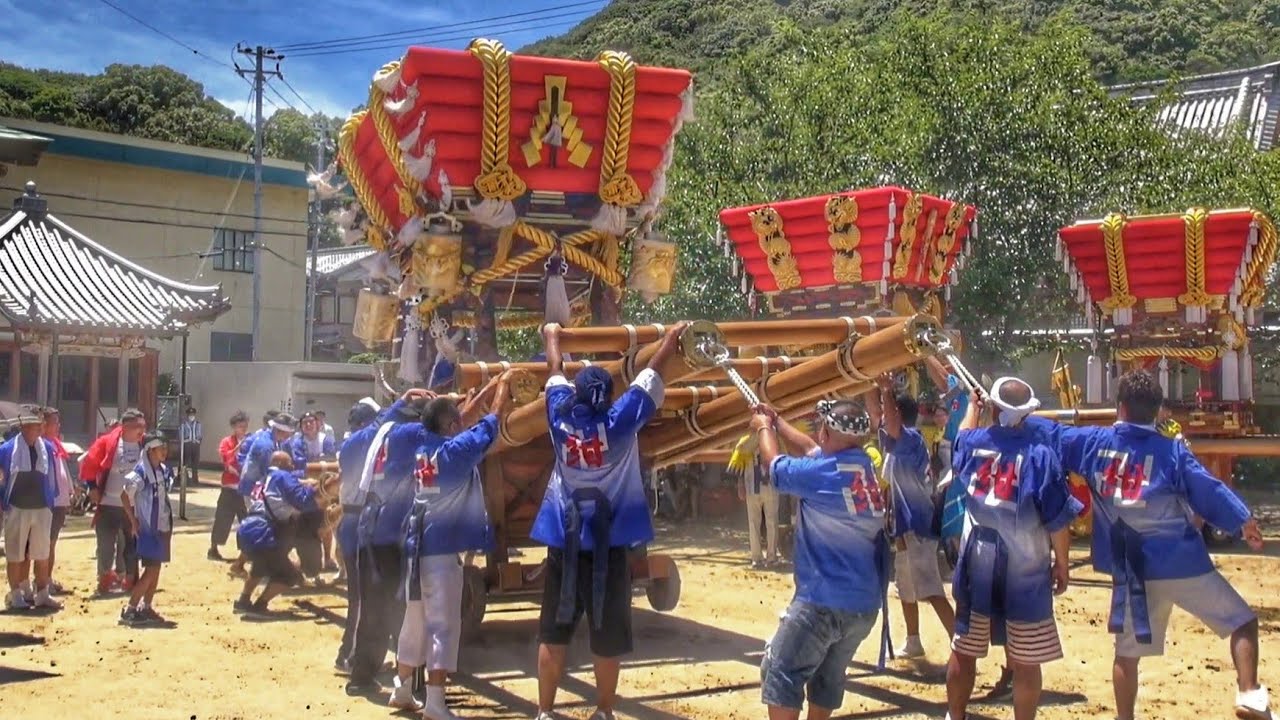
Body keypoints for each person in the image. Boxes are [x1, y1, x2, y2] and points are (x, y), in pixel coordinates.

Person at [1025, 369, 1271, 720]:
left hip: (1132, 571)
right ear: (1158, 411)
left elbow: (1048, 432)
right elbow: (1208, 490)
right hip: (1182, 563)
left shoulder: (1093, 442)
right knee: (1242, 623)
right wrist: (1242, 521)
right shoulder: (1172, 451)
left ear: (1120, 407)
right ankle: (1249, 693)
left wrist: (1009, 410)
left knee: (1127, 655)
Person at [531, 322, 686, 720]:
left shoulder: (559, 420)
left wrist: (552, 335)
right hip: (611, 545)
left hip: (564, 543)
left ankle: (545, 712)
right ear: (609, 397)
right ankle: (603, 711)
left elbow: (554, 369)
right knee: (607, 634)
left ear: (579, 394)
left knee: (554, 629)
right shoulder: (620, 422)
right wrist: (673, 337)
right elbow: (657, 371)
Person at [944, 378, 1081, 720]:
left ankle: (955, 716)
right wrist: (1062, 564)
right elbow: (1057, 520)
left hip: (977, 564)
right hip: (1027, 569)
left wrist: (973, 409)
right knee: (1026, 661)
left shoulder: (974, 443)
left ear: (992, 407)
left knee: (964, 651)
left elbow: (960, 439)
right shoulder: (1041, 456)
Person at [752, 399, 891, 720]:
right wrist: (777, 420)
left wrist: (762, 427)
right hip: (863, 606)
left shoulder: (824, 473)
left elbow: (774, 466)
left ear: (828, 431)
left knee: (780, 671)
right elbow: (812, 449)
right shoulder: (862, 467)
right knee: (827, 679)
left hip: (821, 603)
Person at [391, 380, 510, 717]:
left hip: (416, 549)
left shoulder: (421, 444)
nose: (462, 423)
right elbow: (489, 427)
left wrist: (484, 387)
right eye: (457, 420)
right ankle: (435, 703)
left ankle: (401, 688)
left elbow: (468, 422)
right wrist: (502, 392)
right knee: (443, 627)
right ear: (450, 426)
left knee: (414, 621)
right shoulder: (454, 454)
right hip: (440, 552)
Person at [347, 389, 436, 694]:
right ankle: (413, 682)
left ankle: (361, 677)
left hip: (369, 532)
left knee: (373, 608)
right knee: (410, 609)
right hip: (396, 536)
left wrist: (402, 401)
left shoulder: (376, 434)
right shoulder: (416, 434)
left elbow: (383, 420)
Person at [867, 376, 955, 659]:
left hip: (919, 525)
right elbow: (876, 416)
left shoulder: (910, 439)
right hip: (905, 528)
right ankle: (913, 640)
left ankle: (960, 644)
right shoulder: (896, 445)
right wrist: (866, 381)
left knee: (930, 589)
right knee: (905, 587)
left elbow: (888, 422)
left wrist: (885, 390)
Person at [333, 397, 385, 675]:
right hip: (355, 520)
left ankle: (356, 652)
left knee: (366, 594)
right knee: (360, 597)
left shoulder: (360, 442)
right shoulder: (358, 443)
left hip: (359, 519)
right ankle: (348, 655)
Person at [235, 451, 318, 617]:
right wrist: (315, 489)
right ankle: (260, 606)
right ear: (280, 463)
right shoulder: (282, 476)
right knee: (290, 576)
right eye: (289, 463)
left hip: (247, 530)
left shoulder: (264, 478)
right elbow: (302, 501)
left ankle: (243, 601)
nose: (292, 466)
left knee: (260, 565)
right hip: (264, 532)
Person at [0, 406, 62, 610]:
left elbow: (52, 478)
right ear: (24, 425)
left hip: (41, 507)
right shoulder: (7, 450)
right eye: (35, 423)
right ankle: (16, 593)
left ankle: (42, 593)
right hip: (17, 506)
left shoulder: (48, 448)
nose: (39, 427)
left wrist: (51, 502)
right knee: (16, 554)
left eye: (41, 423)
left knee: (42, 553)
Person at [82, 408, 147, 595]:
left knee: (130, 545)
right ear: (125, 426)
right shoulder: (107, 442)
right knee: (105, 544)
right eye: (137, 426)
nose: (142, 430)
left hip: (134, 506)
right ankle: (104, 578)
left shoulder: (145, 445)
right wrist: (92, 487)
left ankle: (128, 578)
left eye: (143, 426)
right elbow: (89, 464)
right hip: (109, 503)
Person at [119, 433, 176, 627]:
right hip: (149, 529)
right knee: (150, 570)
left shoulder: (162, 470)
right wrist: (134, 522)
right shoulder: (142, 471)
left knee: (156, 568)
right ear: (150, 450)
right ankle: (131, 609)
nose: (165, 451)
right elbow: (125, 496)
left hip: (163, 526)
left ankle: (147, 606)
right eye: (161, 448)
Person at [291, 412, 337, 580]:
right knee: (304, 523)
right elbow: (300, 464)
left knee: (327, 522)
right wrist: (319, 463)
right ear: (301, 426)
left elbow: (331, 459)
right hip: (305, 488)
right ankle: (305, 560)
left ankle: (328, 558)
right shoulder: (297, 441)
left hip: (325, 487)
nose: (309, 425)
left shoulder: (327, 439)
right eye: (305, 423)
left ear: (318, 424)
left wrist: (315, 465)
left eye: (312, 422)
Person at [210, 411, 250, 562]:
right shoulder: (227, 441)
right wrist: (238, 447)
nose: (243, 429)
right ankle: (213, 548)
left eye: (245, 426)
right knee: (222, 518)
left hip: (244, 487)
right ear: (234, 427)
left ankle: (246, 551)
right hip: (229, 485)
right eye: (240, 426)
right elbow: (225, 458)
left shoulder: (250, 441)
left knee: (245, 520)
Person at [41, 407, 73, 595]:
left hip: (60, 502)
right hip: (49, 503)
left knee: (52, 543)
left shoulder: (55, 445)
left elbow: (62, 471)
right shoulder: (43, 445)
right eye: (55, 422)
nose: (58, 425)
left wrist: (70, 488)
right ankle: (43, 581)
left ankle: (47, 578)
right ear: (44, 425)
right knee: (47, 544)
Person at [738, 449, 780, 568]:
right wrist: (740, 483)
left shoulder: (774, 439)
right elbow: (739, 460)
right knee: (755, 523)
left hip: (770, 486)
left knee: (770, 523)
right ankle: (757, 558)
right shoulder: (747, 442)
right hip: (752, 485)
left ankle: (770, 557)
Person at [180, 407, 203, 486]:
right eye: (190, 415)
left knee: (195, 463)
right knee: (186, 463)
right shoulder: (184, 424)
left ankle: (195, 480)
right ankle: (185, 479)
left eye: (193, 414)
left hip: (195, 445)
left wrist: (198, 442)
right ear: (187, 415)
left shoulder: (198, 424)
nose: (191, 416)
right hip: (187, 445)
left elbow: (200, 435)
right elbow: (180, 435)